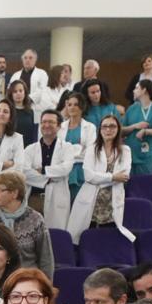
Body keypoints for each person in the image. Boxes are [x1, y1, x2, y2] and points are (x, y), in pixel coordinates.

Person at [68, 115, 134, 245]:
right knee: (85, 238)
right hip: (91, 200)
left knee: (107, 238)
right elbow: (88, 176)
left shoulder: (125, 150)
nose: (108, 130)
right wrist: (113, 176)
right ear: (100, 130)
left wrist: (99, 177)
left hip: (111, 201)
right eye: (105, 126)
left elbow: (124, 176)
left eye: (112, 126)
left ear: (118, 129)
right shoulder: (92, 149)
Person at [0, 171, 55, 275]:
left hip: (28, 281)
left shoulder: (35, 219)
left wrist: (45, 288)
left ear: (14, 193)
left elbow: (46, 259)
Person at [55, 92, 97, 223]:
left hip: (80, 171)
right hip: (63, 171)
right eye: (69, 105)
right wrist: (78, 149)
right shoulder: (60, 127)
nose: (72, 107)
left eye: (76, 105)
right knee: (62, 210)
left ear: (82, 107)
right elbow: (58, 150)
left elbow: (90, 151)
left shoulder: (90, 127)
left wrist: (70, 152)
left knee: (78, 209)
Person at [121, 79, 152, 175]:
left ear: (144, 90)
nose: (133, 91)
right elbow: (121, 131)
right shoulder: (132, 108)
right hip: (130, 154)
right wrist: (134, 126)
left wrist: (146, 132)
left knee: (144, 184)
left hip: (147, 156)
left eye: (136, 88)